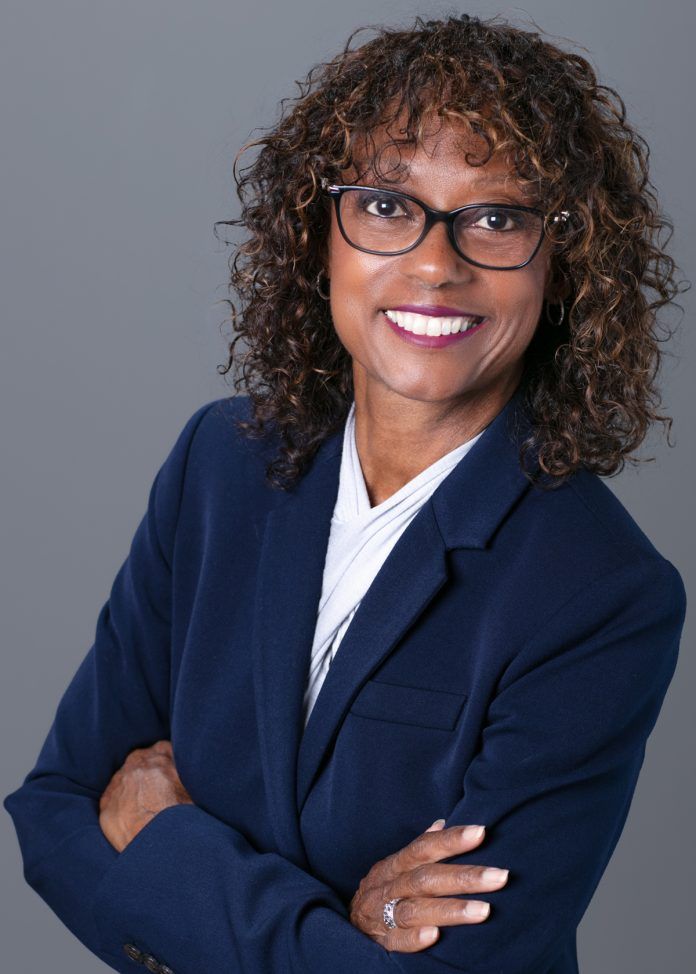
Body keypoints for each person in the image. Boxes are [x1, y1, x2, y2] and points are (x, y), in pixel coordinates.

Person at [4, 12, 688, 974]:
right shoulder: (220, 466)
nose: (437, 265)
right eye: (385, 204)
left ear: (562, 262)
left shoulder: (601, 591)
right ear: (316, 233)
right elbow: (55, 812)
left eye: (498, 218)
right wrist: (342, 931)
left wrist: (166, 846)